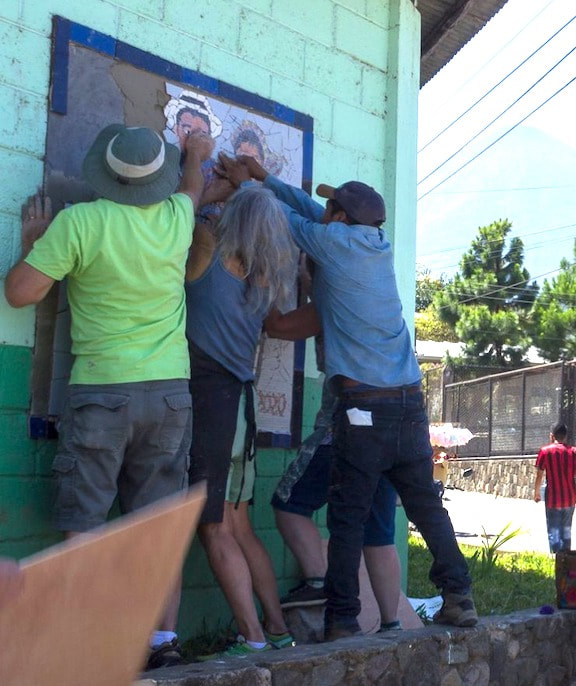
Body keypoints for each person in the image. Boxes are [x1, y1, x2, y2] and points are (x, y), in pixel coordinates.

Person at [217, 153, 478, 639]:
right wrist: (265, 176)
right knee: (426, 509)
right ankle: (459, 598)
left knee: (347, 519)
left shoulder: (331, 242)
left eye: (331, 209)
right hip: (408, 405)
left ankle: (341, 620)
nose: (326, 215)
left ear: (340, 218)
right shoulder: (376, 244)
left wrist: (244, 182)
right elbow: (311, 215)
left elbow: (288, 218)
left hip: (363, 410)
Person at [4, 125, 213, 669]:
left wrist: (32, 245)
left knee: (87, 521)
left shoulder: (79, 222)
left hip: (101, 391)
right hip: (170, 395)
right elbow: (192, 187)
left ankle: (86, 645)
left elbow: (20, 294)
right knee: (156, 525)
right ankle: (162, 643)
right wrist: (196, 153)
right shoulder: (175, 218)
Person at [185, 185, 297, 658]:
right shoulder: (266, 279)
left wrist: (209, 190)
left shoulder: (207, 249)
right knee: (239, 526)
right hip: (241, 405)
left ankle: (250, 637)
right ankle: (276, 628)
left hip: (210, 402)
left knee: (212, 527)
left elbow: (176, 210)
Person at [534, 422, 576, 553]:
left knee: (554, 530)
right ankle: (566, 561)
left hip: (553, 499)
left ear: (552, 436)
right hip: (570, 498)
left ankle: (557, 559)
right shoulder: (573, 452)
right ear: (565, 436)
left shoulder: (545, 451)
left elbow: (539, 474)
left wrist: (536, 493)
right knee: (566, 529)